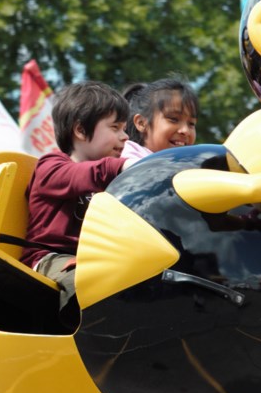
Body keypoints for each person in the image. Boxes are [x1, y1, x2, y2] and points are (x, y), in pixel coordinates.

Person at [20, 80, 137, 318]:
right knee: (86, 281)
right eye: (115, 128)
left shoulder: (111, 183)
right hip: (49, 260)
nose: (125, 137)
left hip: (94, 259)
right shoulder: (51, 167)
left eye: (124, 129)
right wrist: (126, 166)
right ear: (81, 130)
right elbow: (82, 175)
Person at [120, 76, 199, 160]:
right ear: (141, 123)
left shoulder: (191, 162)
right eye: (174, 119)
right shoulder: (131, 157)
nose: (185, 131)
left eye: (191, 124)